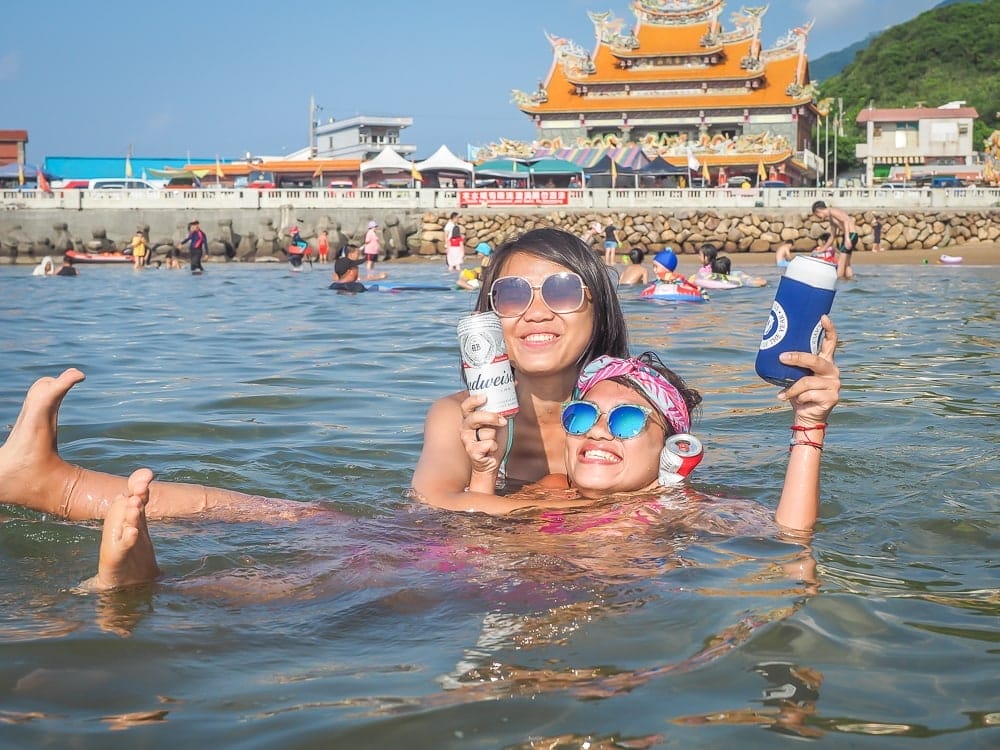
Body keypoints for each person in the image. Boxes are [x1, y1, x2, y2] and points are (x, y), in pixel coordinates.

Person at [0, 228, 840, 532]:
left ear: (598, 308)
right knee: (300, 519)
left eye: (560, 291)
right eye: (510, 294)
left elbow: (721, 516)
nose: (534, 311)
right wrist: (483, 469)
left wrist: (807, 424)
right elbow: (433, 516)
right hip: (450, 555)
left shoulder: (631, 409)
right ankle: (53, 483)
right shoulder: (457, 412)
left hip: (546, 571)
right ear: (487, 315)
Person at [811, 201, 856, 281]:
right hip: (849, 236)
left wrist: (847, 238)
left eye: (817, 216)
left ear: (818, 211)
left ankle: (838, 282)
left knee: (841, 263)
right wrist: (821, 250)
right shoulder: (831, 218)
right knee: (847, 263)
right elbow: (832, 237)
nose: (818, 218)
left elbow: (845, 221)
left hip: (850, 235)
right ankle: (850, 282)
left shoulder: (832, 211)